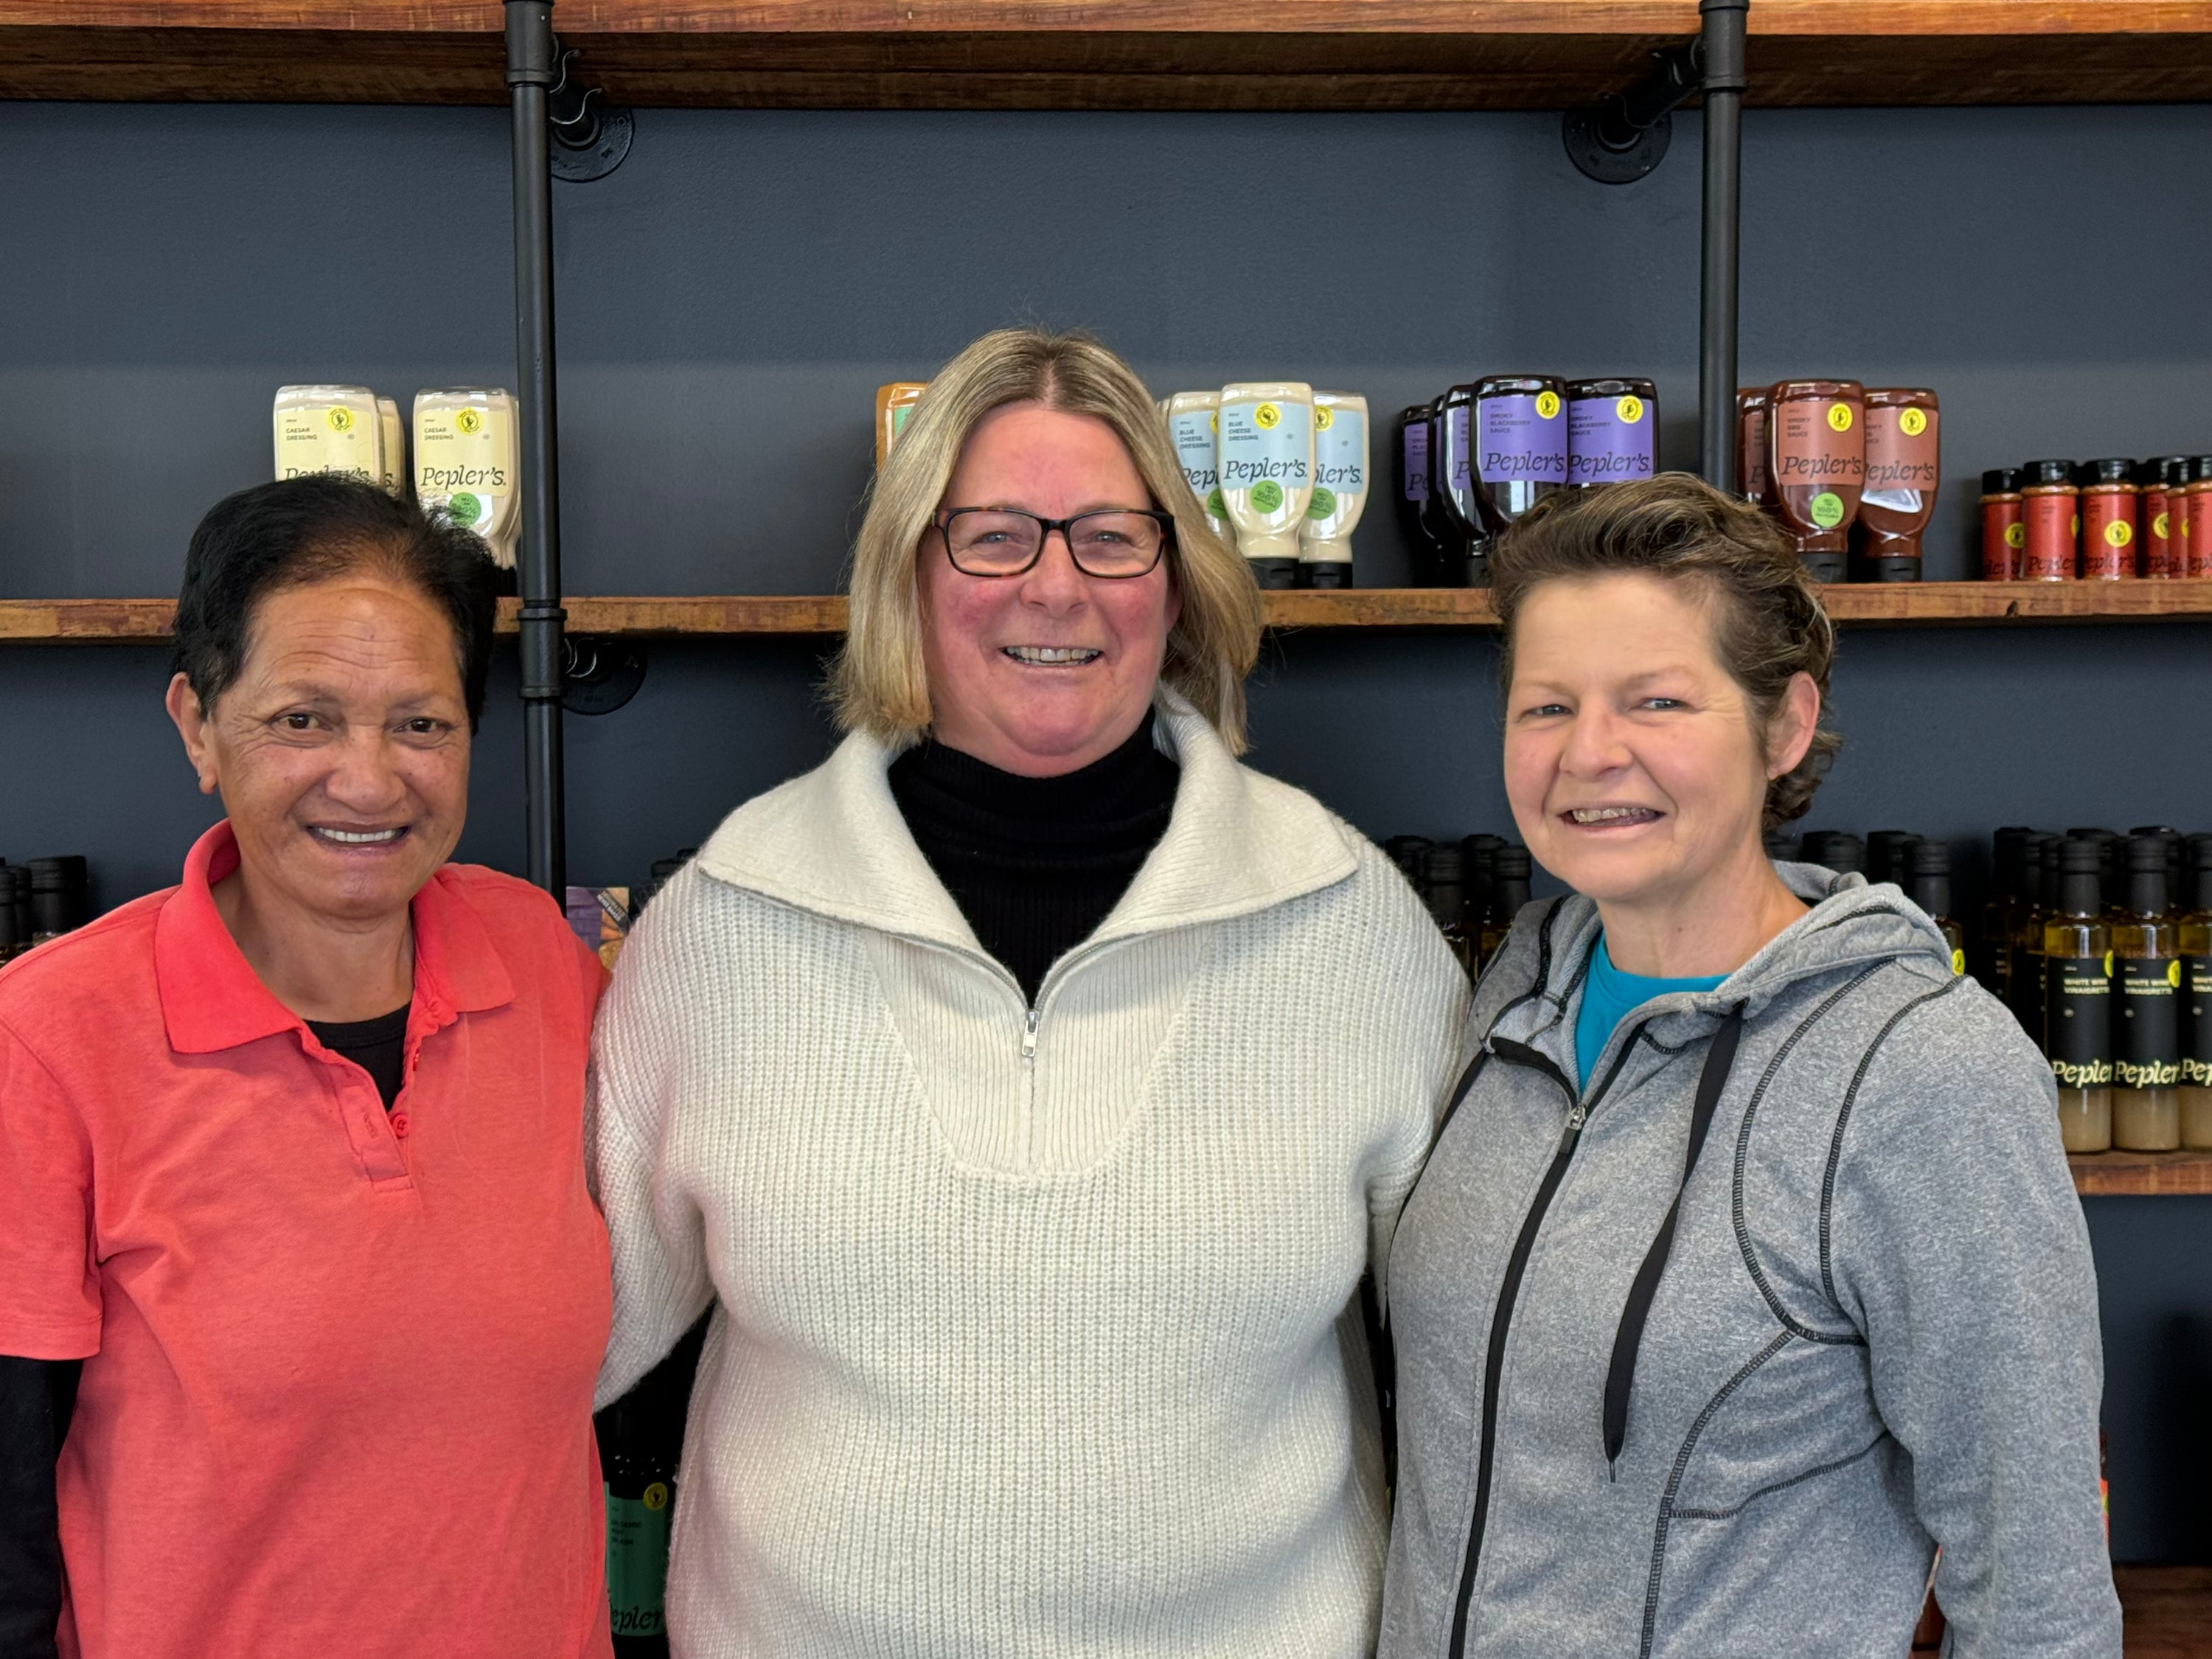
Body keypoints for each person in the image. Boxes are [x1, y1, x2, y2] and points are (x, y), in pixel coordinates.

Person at [588, 328, 1470, 1656]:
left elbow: (1488, 1374)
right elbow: (556, 1346)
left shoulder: (1350, 926)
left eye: (1112, 536)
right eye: (993, 534)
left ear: (1177, 582)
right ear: (908, 573)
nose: (1054, 587)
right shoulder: (726, 923)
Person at [1379, 475, 2121, 1658]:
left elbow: (2038, 1594)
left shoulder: (1922, 1072)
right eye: (1545, 706)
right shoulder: (1516, 990)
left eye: (1658, 699)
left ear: (1782, 726)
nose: (1591, 752)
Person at [0, 476, 614, 1659]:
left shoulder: (540, 959)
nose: (370, 779)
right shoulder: (48, 1038)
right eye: (304, 719)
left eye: (421, 722)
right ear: (196, 723)